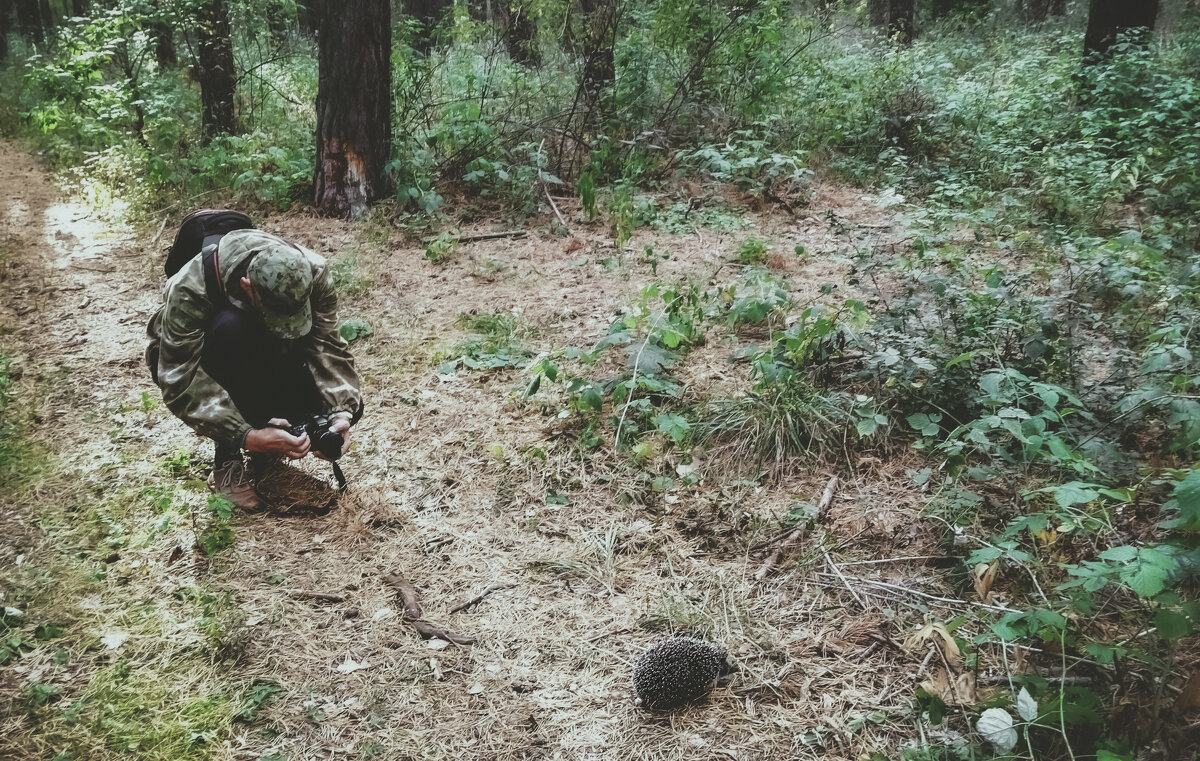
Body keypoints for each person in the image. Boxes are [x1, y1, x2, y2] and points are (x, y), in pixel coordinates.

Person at [146, 227, 363, 510]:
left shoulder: (314, 271)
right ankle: (228, 459)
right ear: (248, 286)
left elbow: (328, 345)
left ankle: (275, 435)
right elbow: (179, 377)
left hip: (264, 347)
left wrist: (339, 414)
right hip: (195, 354)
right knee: (230, 328)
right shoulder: (190, 288)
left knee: (327, 389)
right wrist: (245, 435)